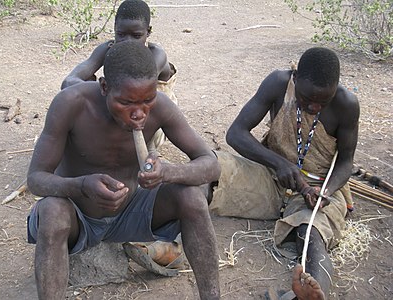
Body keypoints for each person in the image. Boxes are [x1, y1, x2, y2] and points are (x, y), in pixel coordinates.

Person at [27, 40, 221, 300]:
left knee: (192, 198)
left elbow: (210, 164)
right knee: (51, 211)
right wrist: (81, 185)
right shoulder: (71, 104)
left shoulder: (160, 106)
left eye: (147, 100)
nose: (139, 113)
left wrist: (167, 172)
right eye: (126, 102)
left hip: (133, 210)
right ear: (105, 87)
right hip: (79, 215)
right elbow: (36, 179)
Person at [209, 47, 359, 299]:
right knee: (210, 168)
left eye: (324, 101)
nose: (314, 106)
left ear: (336, 88)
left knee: (310, 232)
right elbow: (236, 133)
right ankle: (163, 237)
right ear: (295, 77)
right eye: (307, 98)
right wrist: (279, 164)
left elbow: (346, 162)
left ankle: (311, 291)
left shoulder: (346, 104)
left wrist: (326, 192)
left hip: (315, 188)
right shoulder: (278, 83)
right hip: (270, 175)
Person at [61, 0, 177, 150]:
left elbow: (136, 92)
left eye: (136, 36)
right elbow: (68, 82)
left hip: (151, 114)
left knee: (129, 108)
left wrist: (99, 92)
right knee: (91, 87)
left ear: (148, 32)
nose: (127, 42)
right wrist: (100, 90)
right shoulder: (107, 49)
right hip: (125, 105)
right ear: (115, 29)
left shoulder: (156, 55)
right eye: (121, 34)